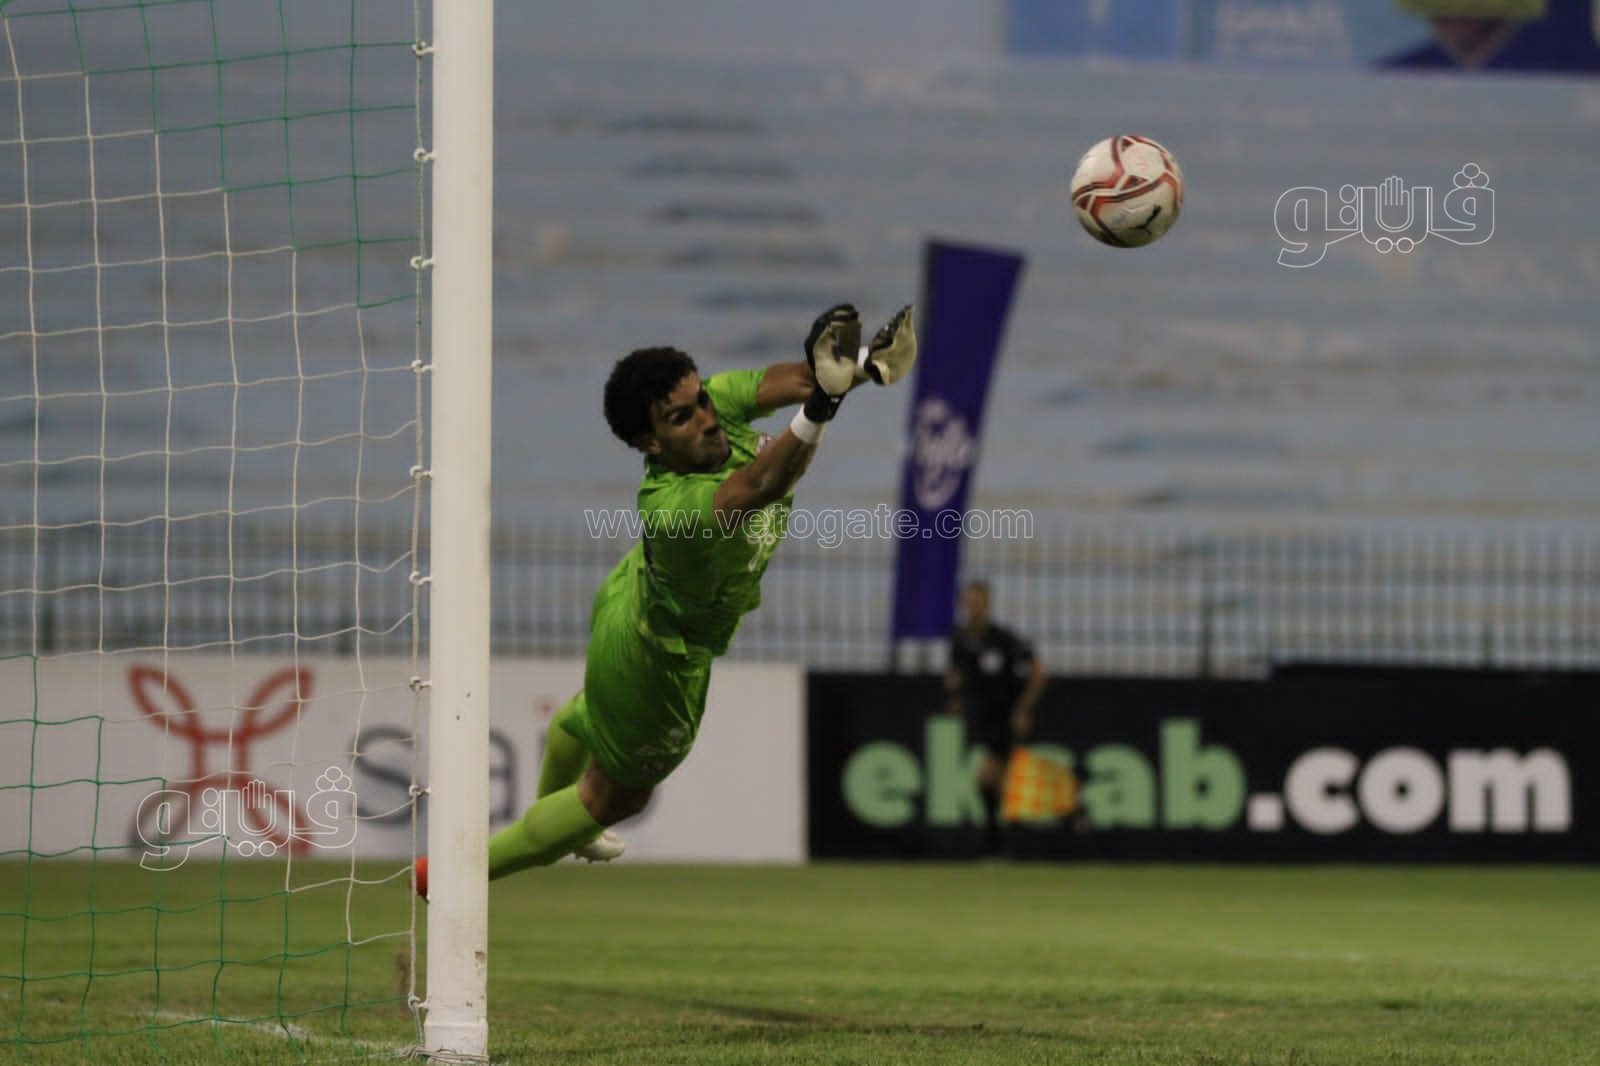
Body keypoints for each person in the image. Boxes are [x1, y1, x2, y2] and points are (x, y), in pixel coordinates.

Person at [415, 302, 916, 896]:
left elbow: (807, 379)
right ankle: (446, 874)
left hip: (630, 600)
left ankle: (560, 821)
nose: (706, 419)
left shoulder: (715, 406)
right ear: (649, 443)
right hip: (660, 660)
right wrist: (825, 405)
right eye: (682, 418)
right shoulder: (672, 510)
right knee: (615, 796)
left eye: (701, 400)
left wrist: (866, 364)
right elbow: (763, 482)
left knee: (586, 717)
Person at [942, 579, 1048, 857]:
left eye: (977, 602)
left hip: (1004, 718)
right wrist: (956, 697)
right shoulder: (959, 640)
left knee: (986, 777)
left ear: (987, 604)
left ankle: (996, 842)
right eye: (969, 602)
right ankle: (1008, 840)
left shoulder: (1003, 639)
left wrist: (1023, 708)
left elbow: (1038, 673)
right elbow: (955, 676)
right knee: (997, 783)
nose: (972, 607)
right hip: (981, 719)